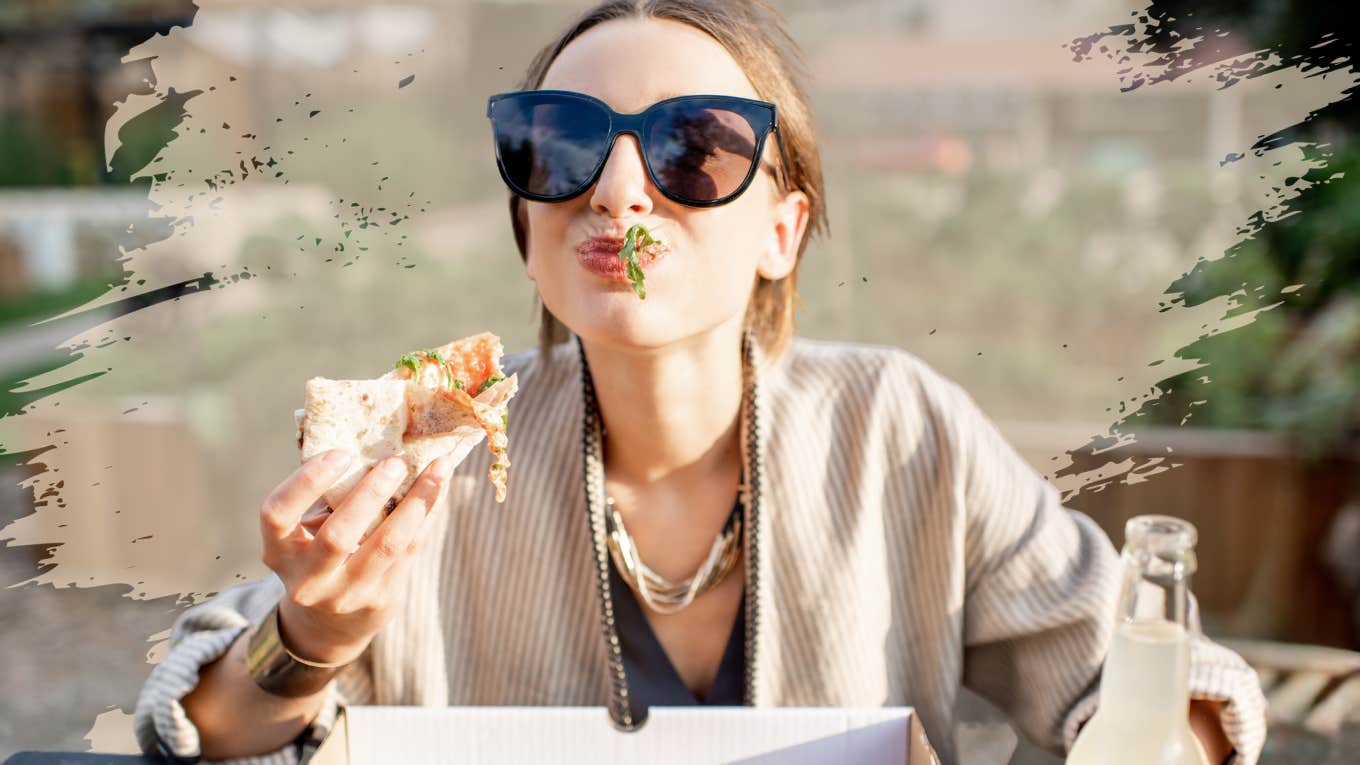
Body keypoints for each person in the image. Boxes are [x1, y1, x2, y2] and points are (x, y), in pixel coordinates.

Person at [134, 1, 1267, 763]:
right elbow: (203, 724)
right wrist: (315, 635)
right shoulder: (427, 451)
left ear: (782, 228)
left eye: (695, 148)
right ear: (526, 215)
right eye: (559, 141)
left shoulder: (899, 430)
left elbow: (1136, 684)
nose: (619, 187)